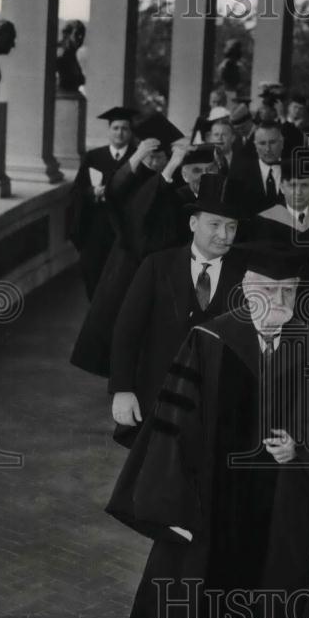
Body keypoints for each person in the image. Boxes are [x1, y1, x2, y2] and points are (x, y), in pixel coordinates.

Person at [105, 244, 309, 618]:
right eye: (265, 289)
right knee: (199, 590)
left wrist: (300, 451)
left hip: (282, 507)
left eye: (287, 291)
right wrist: (173, 504)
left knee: (274, 597)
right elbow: (174, 425)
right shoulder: (209, 340)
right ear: (245, 290)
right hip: (213, 501)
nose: (276, 300)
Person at [108, 173, 247, 441]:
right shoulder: (157, 266)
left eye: (232, 226)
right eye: (215, 224)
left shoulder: (247, 274)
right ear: (193, 223)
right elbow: (127, 331)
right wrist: (123, 390)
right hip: (159, 400)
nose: (224, 235)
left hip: (220, 407)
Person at [70, 112, 185, 377]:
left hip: (161, 262)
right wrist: (139, 154)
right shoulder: (137, 176)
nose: (154, 161)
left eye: (160, 157)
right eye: (150, 156)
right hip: (129, 262)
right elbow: (114, 190)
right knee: (121, 320)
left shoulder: (175, 181)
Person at [67, 107, 137, 299]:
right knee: (93, 273)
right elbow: (77, 190)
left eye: (124, 128)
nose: (119, 133)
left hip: (124, 227)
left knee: (122, 278)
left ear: (130, 133)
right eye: (115, 128)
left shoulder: (137, 158)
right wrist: (91, 192)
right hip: (96, 227)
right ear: (109, 131)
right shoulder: (93, 157)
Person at [252, 156, 309, 249]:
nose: (298, 192)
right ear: (282, 187)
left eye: (305, 185)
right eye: (292, 185)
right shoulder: (265, 221)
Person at [228, 122, 285, 215]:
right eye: (262, 143)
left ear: (282, 143)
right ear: (255, 146)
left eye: (272, 142)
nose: (268, 149)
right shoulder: (239, 175)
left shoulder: (295, 171)